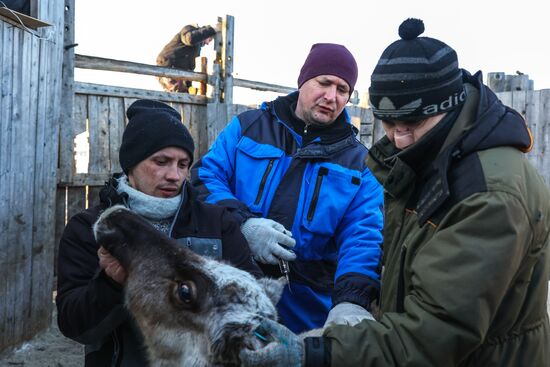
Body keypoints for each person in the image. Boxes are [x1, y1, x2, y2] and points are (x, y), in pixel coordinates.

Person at [239, 18, 550, 367]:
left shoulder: (488, 196)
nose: (399, 138)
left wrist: (317, 353)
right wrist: (360, 300)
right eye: (389, 124)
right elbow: (384, 248)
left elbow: (434, 334)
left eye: (412, 124)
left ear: (446, 107)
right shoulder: (424, 160)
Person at [191, 43, 384, 333]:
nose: (331, 96)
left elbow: (364, 238)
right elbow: (205, 178)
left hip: (307, 313)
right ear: (303, 80)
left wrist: (351, 302)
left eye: (342, 89)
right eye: (324, 82)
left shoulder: (359, 163)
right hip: (231, 294)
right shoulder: (248, 127)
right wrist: (242, 225)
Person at [56, 99, 262, 366]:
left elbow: (254, 300)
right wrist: (111, 284)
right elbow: (75, 326)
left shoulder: (217, 222)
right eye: (161, 161)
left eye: (183, 164)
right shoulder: (91, 228)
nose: (174, 175)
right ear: (131, 164)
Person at [156, 24, 216, 93]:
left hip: (178, 72)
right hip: (168, 66)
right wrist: (212, 30)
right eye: (209, 40)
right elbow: (190, 39)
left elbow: (190, 68)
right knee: (178, 91)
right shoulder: (189, 29)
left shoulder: (195, 50)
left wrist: (189, 86)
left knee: (183, 94)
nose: (208, 43)